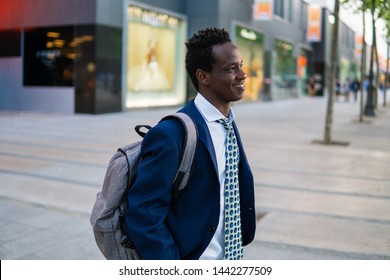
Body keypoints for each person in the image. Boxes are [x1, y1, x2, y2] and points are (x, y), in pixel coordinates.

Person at [124, 27, 256, 260]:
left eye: (241, 65)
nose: (243, 74)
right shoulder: (171, 134)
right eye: (231, 69)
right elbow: (143, 213)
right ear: (203, 76)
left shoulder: (227, 122)